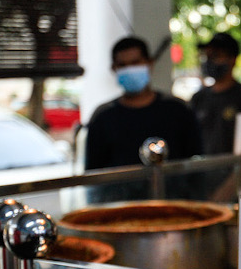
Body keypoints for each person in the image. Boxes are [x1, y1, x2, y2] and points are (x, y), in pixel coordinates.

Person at [84, 35, 203, 170]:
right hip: (118, 191)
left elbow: (196, 162)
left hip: (173, 191)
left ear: (149, 64)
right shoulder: (103, 117)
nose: (129, 70)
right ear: (114, 68)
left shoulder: (178, 110)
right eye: (122, 65)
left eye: (135, 63)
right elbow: (93, 172)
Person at [189, 32, 241, 155]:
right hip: (202, 171)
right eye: (207, 56)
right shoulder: (198, 99)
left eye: (216, 56)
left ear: (232, 59)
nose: (210, 61)